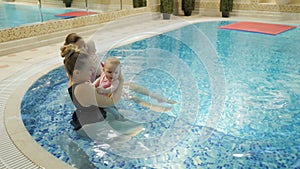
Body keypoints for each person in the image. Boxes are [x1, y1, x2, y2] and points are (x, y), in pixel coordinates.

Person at [61, 44, 143, 141]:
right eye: (89, 69)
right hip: (92, 127)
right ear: (77, 72)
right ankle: (113, 141)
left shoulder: (74, 81)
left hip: (88, 117)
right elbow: (112, 101)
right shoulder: (82, 88)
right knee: (137, 129)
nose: (92, 72)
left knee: (125, 117)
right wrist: (120, 81)